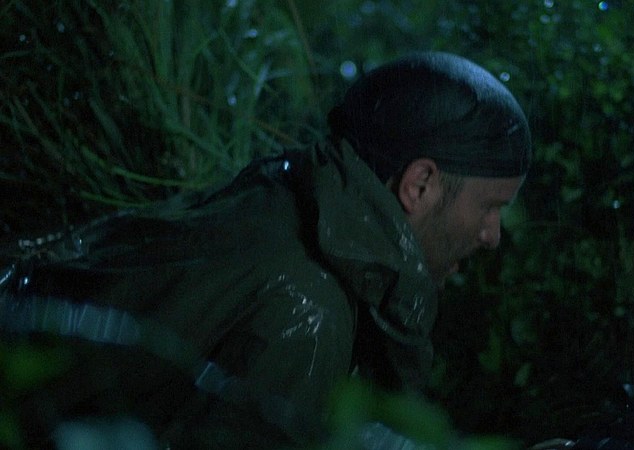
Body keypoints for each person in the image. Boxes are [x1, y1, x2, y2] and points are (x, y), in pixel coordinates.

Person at [0, 51, 531, 449]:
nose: (493, 235)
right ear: (420, 185)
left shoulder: (292, 189)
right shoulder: (310, 316)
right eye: (490, 208)